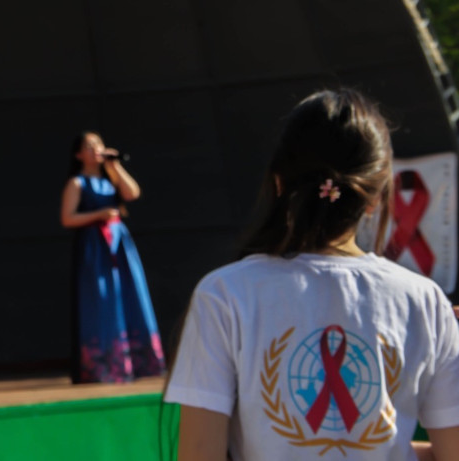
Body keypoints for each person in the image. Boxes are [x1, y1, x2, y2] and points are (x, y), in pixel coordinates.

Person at [165, 89, 459, 461]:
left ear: (279, 183)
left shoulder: (225, 293)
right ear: (377, 194)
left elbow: (198, 453)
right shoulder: (425, 301)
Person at [60, 131, 165, 383]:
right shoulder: (77, 183)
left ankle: (138, 362)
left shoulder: (111, 177)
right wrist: (99, 215)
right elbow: (67, 218)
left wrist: (114, 165)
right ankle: (105, 366)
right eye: (89, 146)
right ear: (78, 154)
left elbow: (132, 193)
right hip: (95, 247)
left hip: (119, 243)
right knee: (102, 300)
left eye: (98, 144)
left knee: (129, 294)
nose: (95, 149)